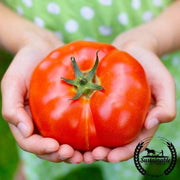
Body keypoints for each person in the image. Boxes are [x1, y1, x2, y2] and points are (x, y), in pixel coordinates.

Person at [0, 0, 179, 179]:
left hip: (153, 55)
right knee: (39, 152)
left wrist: (153, 37)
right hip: (44, 59)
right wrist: (25, 38)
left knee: (139, 140)